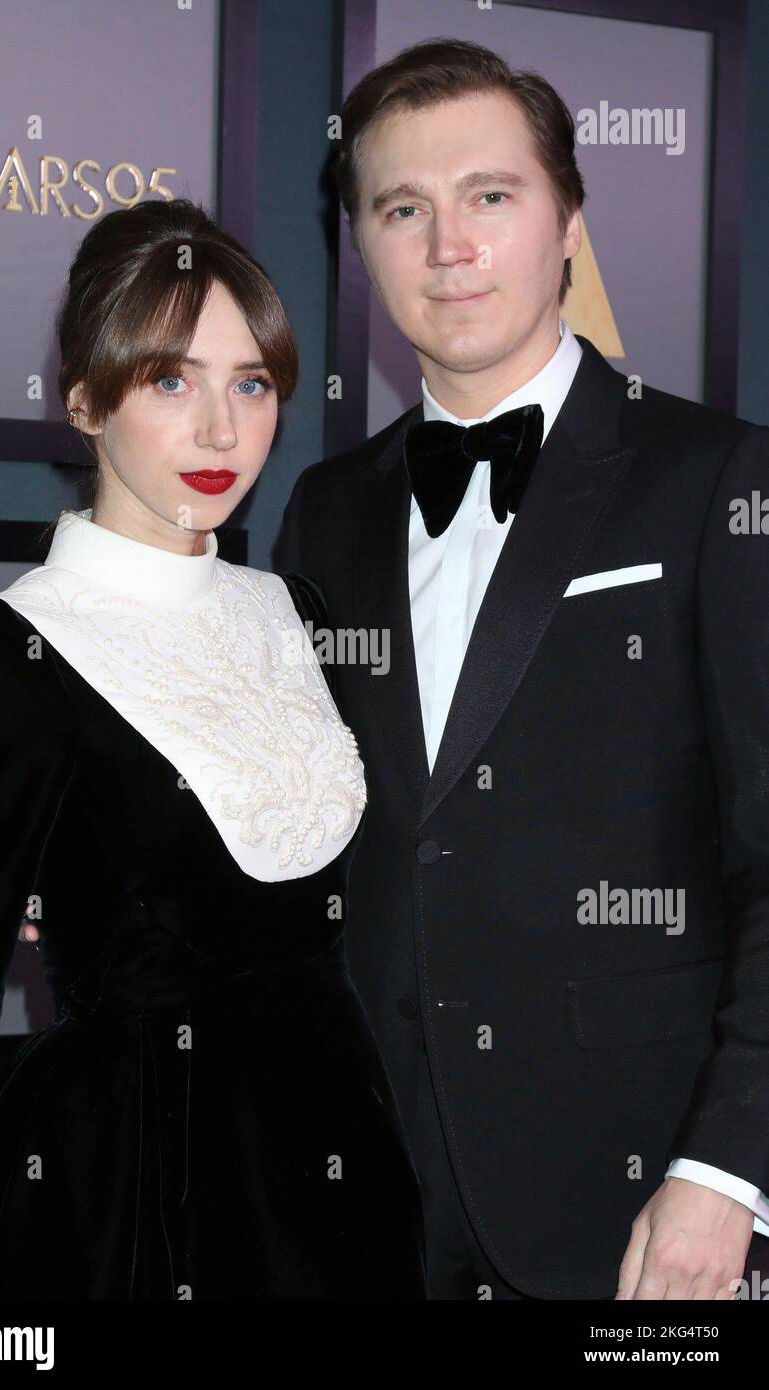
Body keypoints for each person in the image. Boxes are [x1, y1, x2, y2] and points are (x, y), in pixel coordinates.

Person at [275, 39, 769, 1300]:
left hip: (640, 1201)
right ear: (363, 246)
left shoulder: (716, 478)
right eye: (402, 208)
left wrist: (723, 1175)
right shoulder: (322, 511)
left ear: (567, 223)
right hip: (373, 1188)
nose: (448, 246)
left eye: (489, 196)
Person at [0, 198, 426, 1300]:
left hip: (344, 1188)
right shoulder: (0, 656)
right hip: (139, 1205)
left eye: (250, 382)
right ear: (85, 400)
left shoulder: (305, 611)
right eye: (169, 380)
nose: (221, 431)